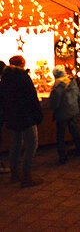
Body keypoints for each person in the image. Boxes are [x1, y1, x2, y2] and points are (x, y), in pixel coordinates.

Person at [1, 55, 43, 187]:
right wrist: (38, 115)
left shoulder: (5, 79)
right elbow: (31, 97)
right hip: (26, 116)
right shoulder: (22, 77)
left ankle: (15, 173)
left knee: (16, 143)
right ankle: (26, 175)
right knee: (31, 144)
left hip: (13, 116)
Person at [49, 65, 80, 164]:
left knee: (60, 134)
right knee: (74, 129)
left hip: (62, 112)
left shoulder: (58, 86)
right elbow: (78, 94)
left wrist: (52, 108)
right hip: (73, 109)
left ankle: (62, 156)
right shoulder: (71, 81)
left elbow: (55, 102)